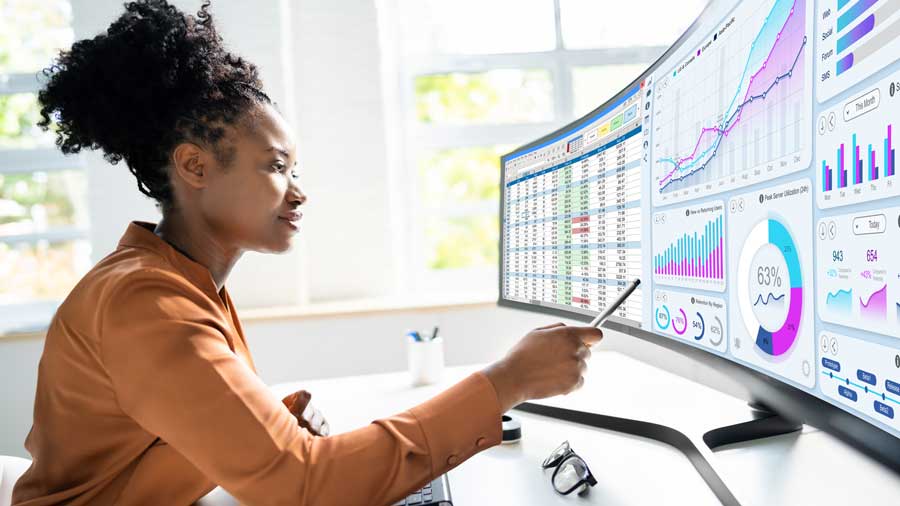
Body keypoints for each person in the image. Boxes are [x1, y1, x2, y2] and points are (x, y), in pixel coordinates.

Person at [12, 1, 602, 505]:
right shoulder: (146, 303)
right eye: (275, 167)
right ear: (195, 166)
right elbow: (307, 487)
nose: (298, 191)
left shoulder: (175, 280)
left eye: (294, 168)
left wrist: (264, 421)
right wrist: (507, 382)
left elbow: (140, 452)